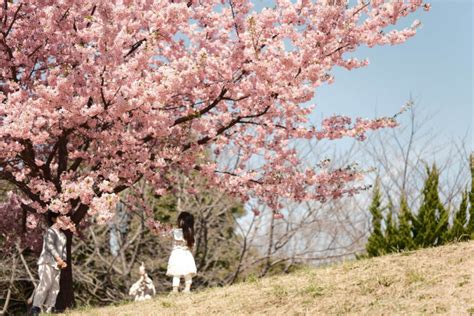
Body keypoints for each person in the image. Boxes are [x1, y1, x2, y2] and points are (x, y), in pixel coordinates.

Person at [30, 212, 68, 316]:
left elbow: (64, 250)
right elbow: (50, 246)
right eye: (61, 218)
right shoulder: (50, 231)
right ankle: (35, 308)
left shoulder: (63, 235)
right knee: (45, 285)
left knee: (55, 287)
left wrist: (63, 260)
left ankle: (50, 308)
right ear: (54, 219)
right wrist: (58, 258)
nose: (63, 220)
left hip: (57, 264)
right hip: (47, 261)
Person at [166, 212, 197, 293]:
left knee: (176, 272)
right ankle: (187, 288)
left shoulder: (177, 232)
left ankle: (175, 289)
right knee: (188, 272)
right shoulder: (191, 233)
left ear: (182, 221)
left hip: (177, 254)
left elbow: (169, 236)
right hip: (187, 254)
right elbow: (193, 245)